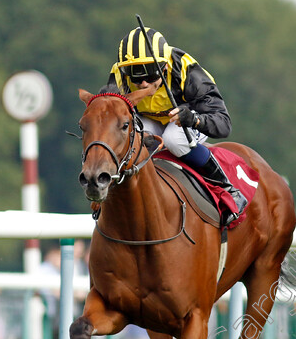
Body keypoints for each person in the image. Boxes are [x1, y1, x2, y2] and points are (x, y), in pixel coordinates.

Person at [104, 26, 245, 225]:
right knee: (129, 136)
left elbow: (223, 125)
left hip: (188, 116)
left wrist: (194, 120)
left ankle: (228, 189)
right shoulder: (118, 77)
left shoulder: (187, 72)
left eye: (151, 74)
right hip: (148, 120)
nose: (143, 83)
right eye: (135, 74)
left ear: (164, 67)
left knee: (174, 139)